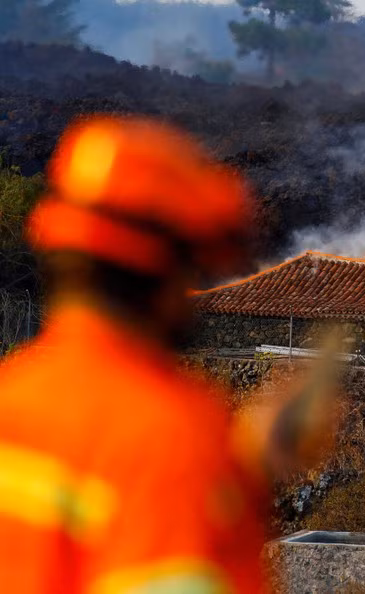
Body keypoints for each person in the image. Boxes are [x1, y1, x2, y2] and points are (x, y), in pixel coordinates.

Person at [0, 115, 333, 593]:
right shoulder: (172, 435)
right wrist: (212, 475)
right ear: (166, 271)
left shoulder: (13, 394)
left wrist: (247, 463)